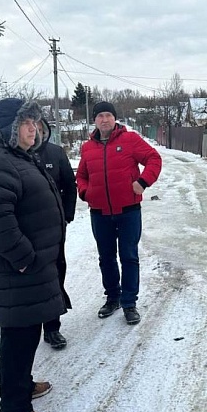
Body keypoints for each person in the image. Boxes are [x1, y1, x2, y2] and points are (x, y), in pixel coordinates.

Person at [0, 98, 67, 412]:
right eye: (26, 123)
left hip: (31, 265)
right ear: (11, 127)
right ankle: (13, 408)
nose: (34, 129)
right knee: (17, 334)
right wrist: (25, 259)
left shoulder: (17, 157)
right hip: (17, 268)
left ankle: (22, 384)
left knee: (27, 330)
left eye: (36, 123)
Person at [76, 101, 162, 325]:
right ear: (94, 120)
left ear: (114, 118)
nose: (104, 119)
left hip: (128, 211)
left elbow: (154, 159)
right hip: (100, 213)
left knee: (129, 257)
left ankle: (129, 303)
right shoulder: (87, 148)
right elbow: (82, 176)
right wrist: (86, 193)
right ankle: (112, 297)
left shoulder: (130, 140)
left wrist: (143, 181)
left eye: (108, 115)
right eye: (99, 116)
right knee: (106, 258)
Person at [36, 119, 76, 350]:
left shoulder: (55, 153)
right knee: (34, 277)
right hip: (28, 230)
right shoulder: (18, 155)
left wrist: (67, 216)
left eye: (40, 129)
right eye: (32, 128)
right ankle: (32, 327)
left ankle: (52, 328)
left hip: (55, 228)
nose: (36, 133)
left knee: (55, 273)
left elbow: (70, 186)